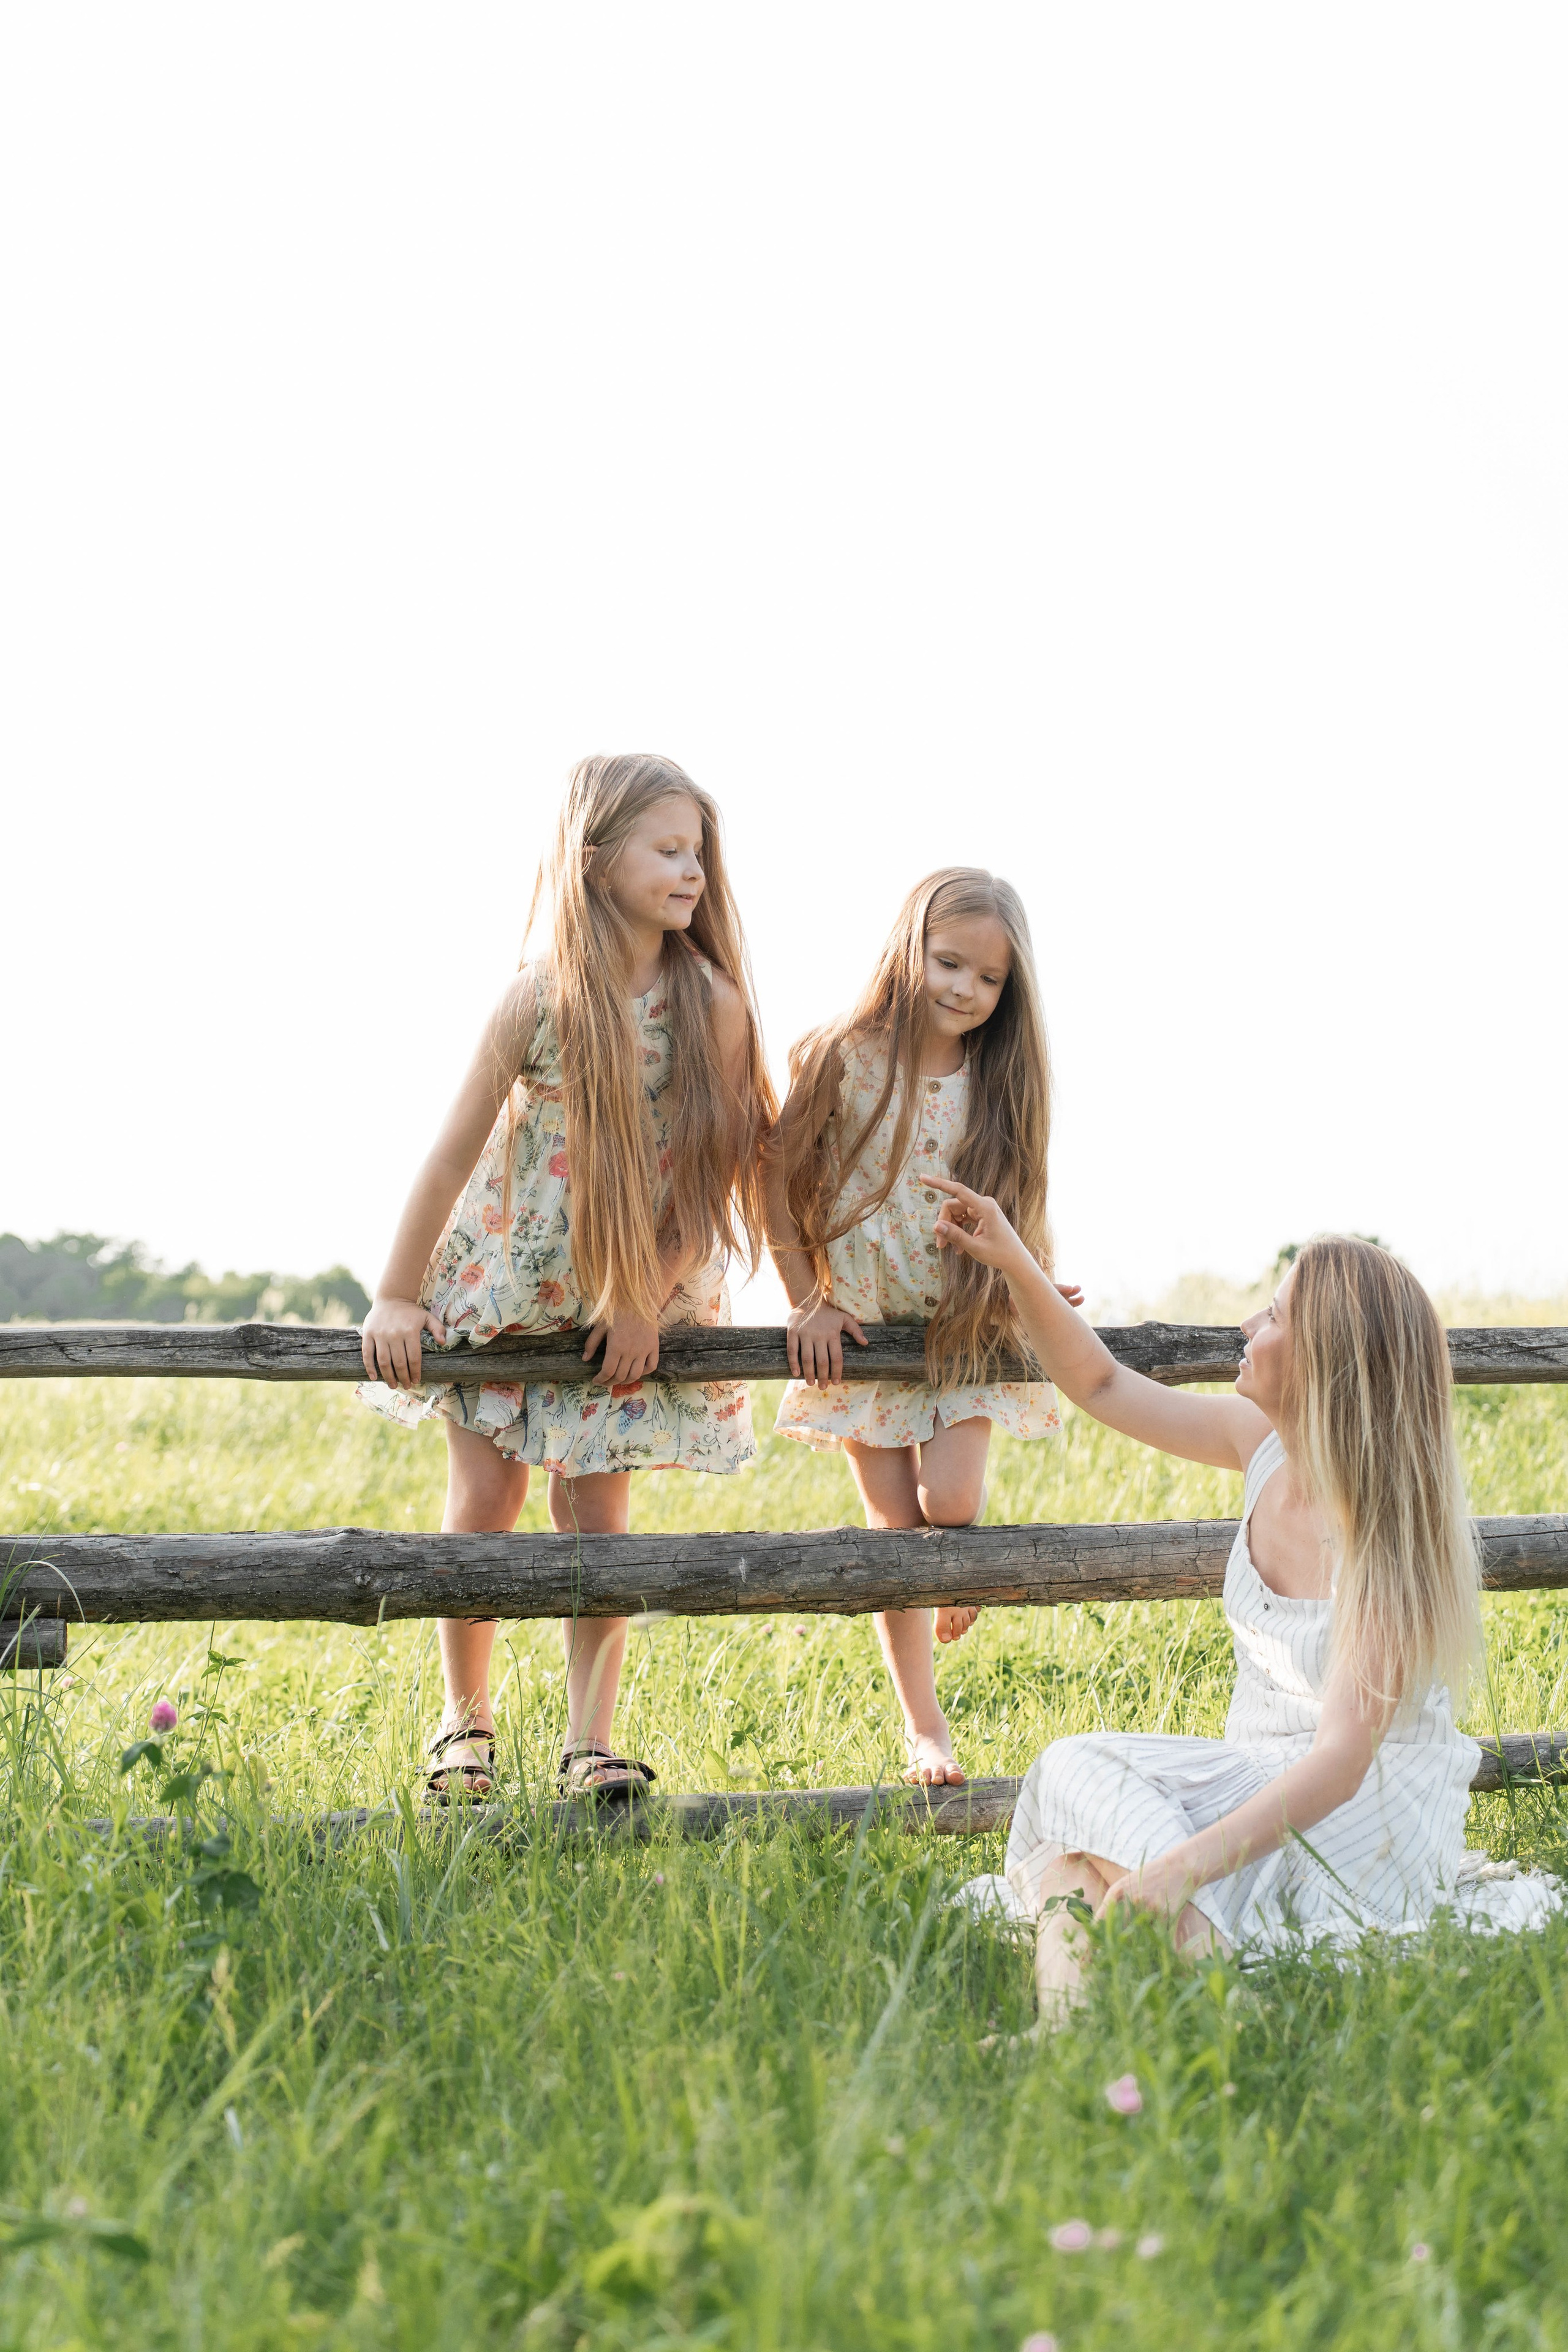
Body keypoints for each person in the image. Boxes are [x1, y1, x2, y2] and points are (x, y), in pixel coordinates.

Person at [935, 1189, 1561, 2018]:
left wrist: (1174, 1869)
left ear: (1324, 1360)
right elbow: (1098, 1381)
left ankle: (1233, 1996)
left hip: (1362, 1819)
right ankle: (1070, 2046)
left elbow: (1339, 1766)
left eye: (1272, 1316)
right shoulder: (1261, 1447)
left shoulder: (1379, 1536)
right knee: (1075, 1837)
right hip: (1257, 1787)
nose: (1245, 1327)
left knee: (1075, 1783)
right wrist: (1015, 1260)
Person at [360, 755, 774, 1800]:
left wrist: (645, 1296)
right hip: (504, 1290)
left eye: (698, 853)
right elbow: (452, 1155)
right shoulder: (536, 1000)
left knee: (597, 1519)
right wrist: (398, 1292)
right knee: (484, 1502)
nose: (691, 871)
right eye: (667, 850)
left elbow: (714, 1168)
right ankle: (464, 1725)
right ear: (595, 863)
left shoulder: (710, 1004)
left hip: (625, 1303)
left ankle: (591, 1743)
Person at [766, 867, 1077, 1788]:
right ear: (910, 947)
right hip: (862, 1328)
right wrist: (805, 1298)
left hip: (963, 1325)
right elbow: (775, 1181)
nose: (965, 991)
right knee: (895, 1529)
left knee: (951, 1508)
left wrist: (1035, 1286)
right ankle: (924, 1727)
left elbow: (1016, 1202)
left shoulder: (1000, 1075)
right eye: (949, 963)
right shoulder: (841, 1056)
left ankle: (958, 1571)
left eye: (988, 980)